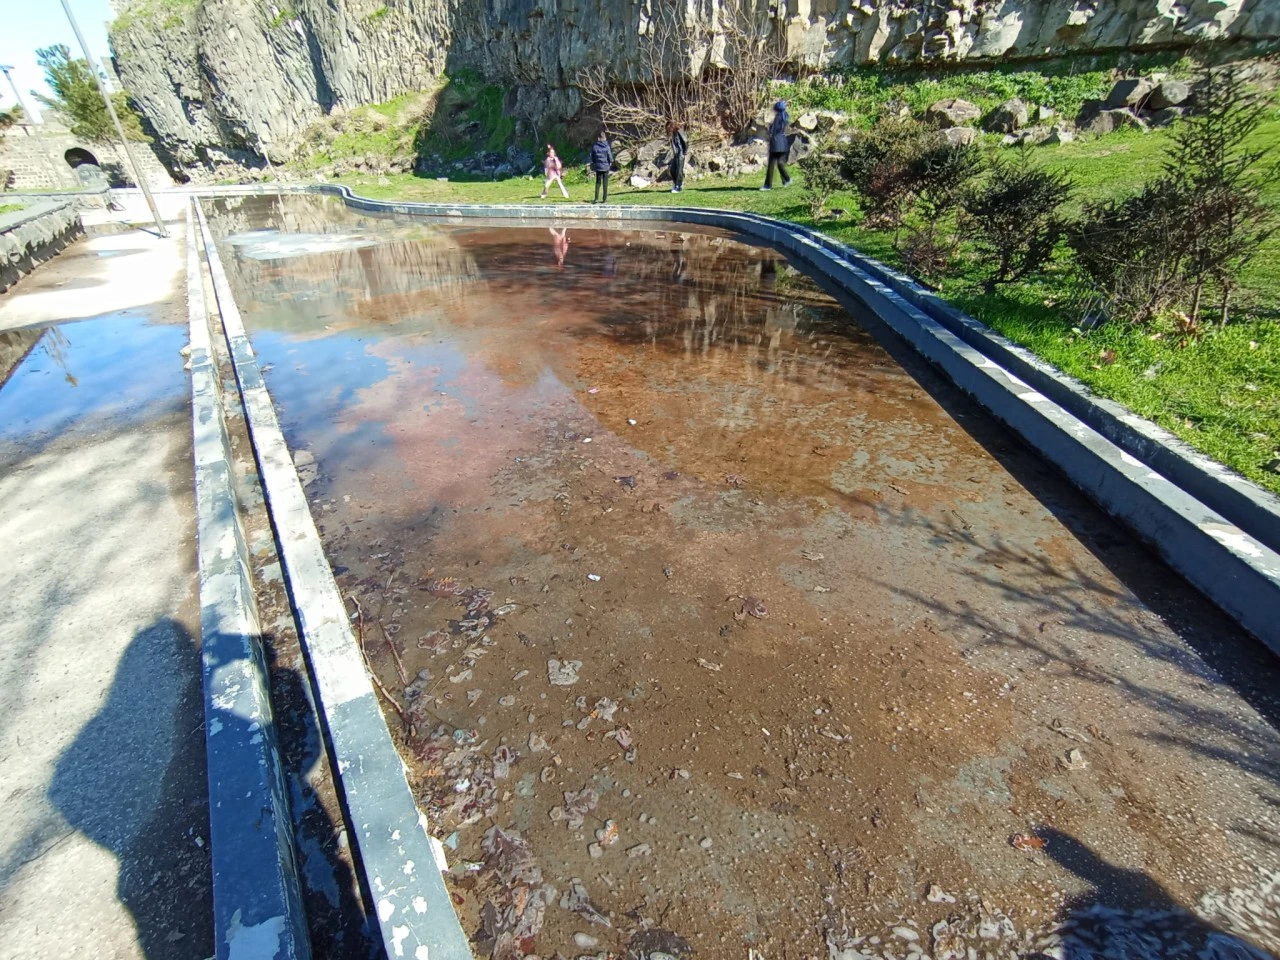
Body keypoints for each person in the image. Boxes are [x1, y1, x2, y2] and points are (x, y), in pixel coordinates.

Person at [761, 100, 792, 191]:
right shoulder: (785, 116)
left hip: (776, 143)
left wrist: (769, 127)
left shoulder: (778, 117)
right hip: (783, 142)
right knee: (780, 163)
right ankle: (785, 180)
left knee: (771, 165)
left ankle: (768, 185)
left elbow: (773, 131)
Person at [590, 130, 614, 204]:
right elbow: (610, 157)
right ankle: (604, 199)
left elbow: (592, 157)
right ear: (605, 138)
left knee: (598, 183)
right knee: (605, 183)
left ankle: (596, 199)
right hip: (606, 167)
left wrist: (595, 163)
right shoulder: (607, 147)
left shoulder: (595, 147)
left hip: (598, 167)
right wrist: (611, 162)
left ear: (598, 138)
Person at [668, 121, 688, 193]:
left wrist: (685, 151)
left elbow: (685, 141)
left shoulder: (679, 131)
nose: (669, 129)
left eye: (669, 127)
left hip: (681, 153)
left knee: (679, 170)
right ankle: (677, 183)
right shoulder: (673, 134)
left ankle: (678, 186)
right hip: (676, 154)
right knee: (672, 170)